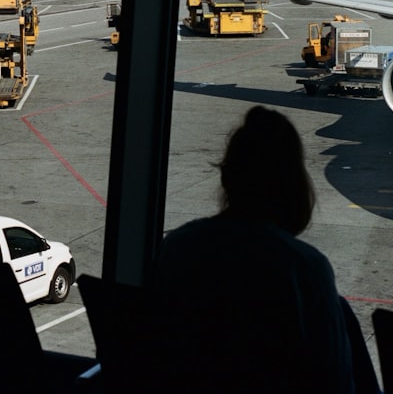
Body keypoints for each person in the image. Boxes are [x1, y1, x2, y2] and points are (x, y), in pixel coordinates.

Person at [151, 106, 376, 394]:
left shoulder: (178, 247)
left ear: (227, 178)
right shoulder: (303, 268)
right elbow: (335, 382)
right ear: (294, 186)